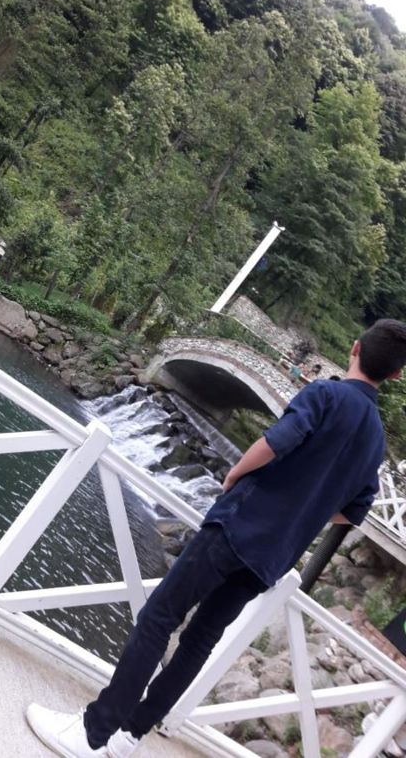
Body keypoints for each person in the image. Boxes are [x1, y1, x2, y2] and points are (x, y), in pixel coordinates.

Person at [26, 318, 406, 758]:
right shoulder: (375, 442)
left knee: (159, 618)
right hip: (272, 558)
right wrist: (310, 508)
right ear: (396, 375)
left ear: (355, 348)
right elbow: (353, 512)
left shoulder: (326, 394)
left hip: (237, 526)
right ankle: (130, 736)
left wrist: (235, 474)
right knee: (199, 642)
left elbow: (276, 442)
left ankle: (92, 733)